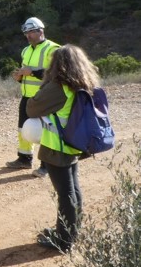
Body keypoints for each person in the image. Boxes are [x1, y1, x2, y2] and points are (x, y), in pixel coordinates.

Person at [25, 45, 97, 252]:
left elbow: (32, 107)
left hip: (58, 147)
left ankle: (64, 239)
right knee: (73, 189)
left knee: (65, 193)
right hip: (75, 143)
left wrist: (45, 83)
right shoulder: (84, 83)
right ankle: (72, 230)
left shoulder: (58, 86)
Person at [6, 17, 60, 178]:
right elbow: (26, 71)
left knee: (46, 131)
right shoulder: (26, 50)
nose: (27, 36)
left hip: (45, 98)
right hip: (27, 96)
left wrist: (33, 73)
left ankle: (46, 165)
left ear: (40, 31)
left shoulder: (54, 49)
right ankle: (24, 158)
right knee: (23, 129)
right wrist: (20, 77)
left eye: (30, 32)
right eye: (26, 33)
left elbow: (58, 74)